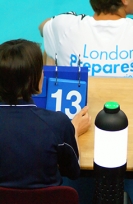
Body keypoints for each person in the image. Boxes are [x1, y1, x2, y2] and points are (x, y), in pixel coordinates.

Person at [0, 39, 91, 188]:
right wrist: (73, 129)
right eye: (40, 69)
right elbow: (73, 171)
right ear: (32, 78)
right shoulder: (58, 124)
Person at [39, 0, 133, 78]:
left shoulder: (64, 27)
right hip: (131, 117)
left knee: (52, 46)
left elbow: (43, 27)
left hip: (78, 119)